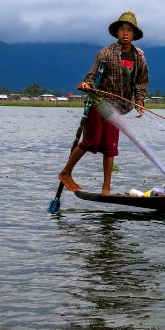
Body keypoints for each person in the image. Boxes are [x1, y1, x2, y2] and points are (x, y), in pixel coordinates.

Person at [59, 11, 149, 195]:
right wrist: (86, 84)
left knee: (111, 147)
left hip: (118, 107)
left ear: (134, 35)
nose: (125, 33)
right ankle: (65, 172)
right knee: (91, 139)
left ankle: (106, 188)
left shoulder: (139, 57)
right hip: (99, 102)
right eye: (122, 29)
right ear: (117, 32)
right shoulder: (106, 53)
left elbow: (141, 82)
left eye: (129, 31)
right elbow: (92, 76)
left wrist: (139, 101)